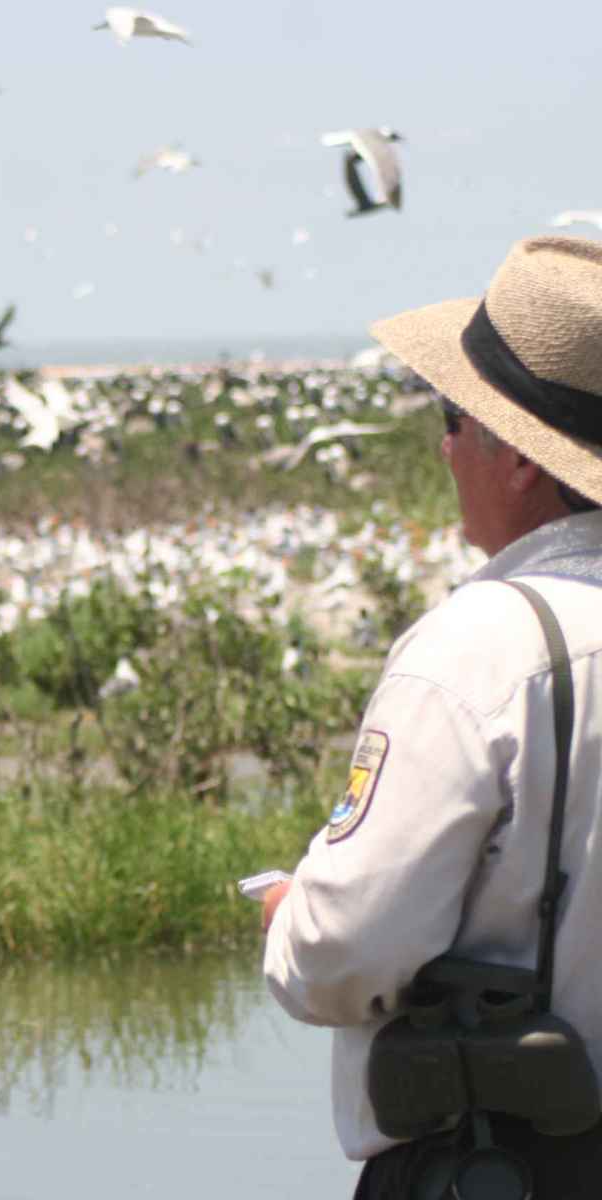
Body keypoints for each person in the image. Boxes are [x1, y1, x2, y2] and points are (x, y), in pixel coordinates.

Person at [261, 235, 602, 1199]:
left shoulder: (483, 648)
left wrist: (290, 918)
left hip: (504, 1168)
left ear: (522, 458)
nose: (445, 447)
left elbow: (344, 956)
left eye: (454, 418)